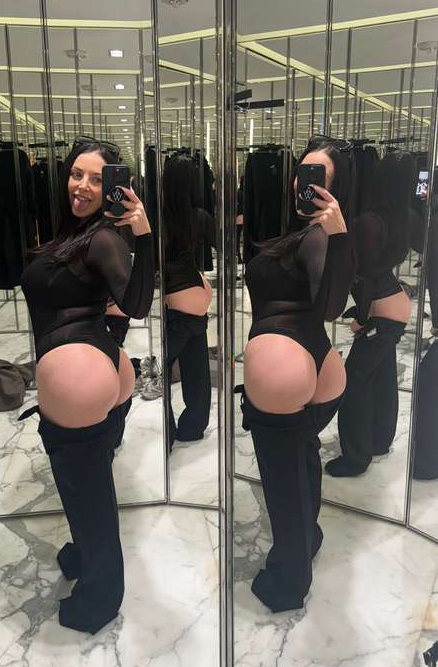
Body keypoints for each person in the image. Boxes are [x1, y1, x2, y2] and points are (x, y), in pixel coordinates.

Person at [19, 136, 154, 634]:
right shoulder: (78, 233)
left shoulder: (102, 237)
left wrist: (143, 233)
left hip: (82, 370)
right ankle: (85, 554)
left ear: (114, 188)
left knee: (87, 492)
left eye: (97, 180)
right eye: (77, 174)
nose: (82, 186)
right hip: (95, 363)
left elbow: (136, 305)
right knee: (87, 487)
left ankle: (100, 598)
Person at [239, 136, 355, 612]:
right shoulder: (304, 233)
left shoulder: (319, 236)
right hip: (314, 364)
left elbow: (330, 306)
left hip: (292, 367)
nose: (303, 183)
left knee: (283, 480)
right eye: (302, 171)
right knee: (303, 462)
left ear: (335, 187)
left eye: (318, 176)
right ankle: (307, 538)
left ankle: (289, 580)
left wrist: (339, 233)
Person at [326, 151, 416, 477]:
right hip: (394, 303)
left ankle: (356, 457)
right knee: (382, 377)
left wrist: (362, 318)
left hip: (381, 311)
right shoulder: (405, 217)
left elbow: (363, 278)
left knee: (354, 383)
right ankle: (379, 439)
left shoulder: (369, 222)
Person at [162, 153, 215, 449]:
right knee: (197, 372)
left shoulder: (158, 219)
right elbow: (221, 246)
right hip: (199, 294)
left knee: (164, 370)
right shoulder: (201, 217)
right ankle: (193, 428)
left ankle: (169, 432)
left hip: (178, 301)